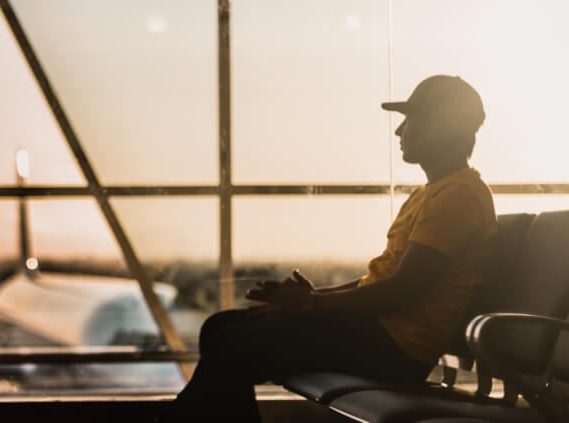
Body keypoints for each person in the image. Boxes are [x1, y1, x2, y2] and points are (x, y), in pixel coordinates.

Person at [161, 75, 498, 422]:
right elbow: (381, 281)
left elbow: (402, 291)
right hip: (376, 334)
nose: (400, 132)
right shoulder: (433, 193)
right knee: (218, 328)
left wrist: (312, 304)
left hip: (394, 350)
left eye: (410, 120)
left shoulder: (457, 197)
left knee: (231, 344)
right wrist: (313, 298)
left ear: (439, 127)